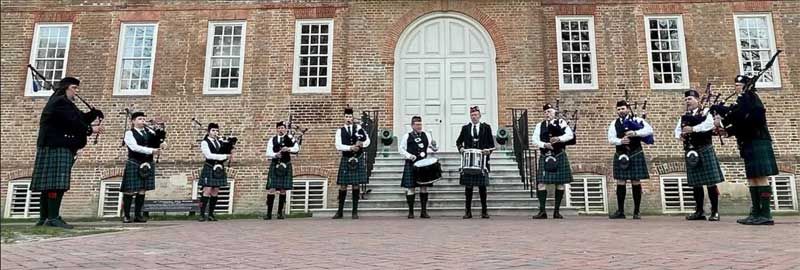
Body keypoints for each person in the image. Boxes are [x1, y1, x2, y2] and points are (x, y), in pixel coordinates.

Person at [30, 77, 103, 228]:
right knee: (56, 184)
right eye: (74, 88)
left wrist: (93, 114)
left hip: (55, 146)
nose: (76, 92)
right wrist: (90, 129)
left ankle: (45, 218)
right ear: (66, 88)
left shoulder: (65, 103)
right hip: (56, 146)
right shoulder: (60, 102)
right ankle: (52, 218)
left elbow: (79, 118)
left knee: (49, 184)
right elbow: (72, 122)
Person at [712, 75, 779, 225]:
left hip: (757, 140)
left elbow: (752, 119)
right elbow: (741, 121)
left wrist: (723, 122)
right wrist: (727, 131)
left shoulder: (751, 98)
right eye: (735, 84)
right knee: (752, 178)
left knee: (760, 176)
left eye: (739, 84)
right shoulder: (742, 102)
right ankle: (756, 212)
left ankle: (766, 214)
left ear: (746, 86)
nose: (736, 87)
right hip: (748, 142)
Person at [675, 90, 724, 221]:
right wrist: (680, 135)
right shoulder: (684, 116)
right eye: (686, 100)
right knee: (696, 183)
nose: (687, 102)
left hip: (704, 149)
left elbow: (709, 125)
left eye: (690, 99)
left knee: (710, 182)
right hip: (691, 151)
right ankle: (699, 211)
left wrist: (693, 129)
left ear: (697, 99)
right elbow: (677, 130)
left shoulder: (706, 112)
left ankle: (715, 212)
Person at [607, 100, 653, 220]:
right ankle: (620, 211)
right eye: (619, 109)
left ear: (627, 109)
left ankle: (636, 211)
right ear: (616, 111)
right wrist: (620, 141)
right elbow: (611, 138)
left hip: (635, 153)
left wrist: (635, 132)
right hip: (621, 153)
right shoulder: (614, 123)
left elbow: (649, 130)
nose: (621, 111)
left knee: (635, 181)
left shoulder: (637, 120)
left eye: (623, 108)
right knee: (620, 181)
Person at [531, 103, 574, 219]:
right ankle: (542, 211)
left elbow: (570, 135)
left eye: (549, 111)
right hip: (545, 155)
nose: (547, 114)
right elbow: (534, 139)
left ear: (554, 113)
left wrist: (559, 138)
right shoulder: (539, 125)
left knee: (559, 183)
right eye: (545, 112)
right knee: (541, 183)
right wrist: (544, 144)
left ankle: (556, 211)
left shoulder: (561, 123)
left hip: (559, 155)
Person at [455, 106, 495, 219]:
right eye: (472, 115)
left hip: (482, 161)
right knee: (468, 188)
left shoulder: (486, 127)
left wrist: (488, 151)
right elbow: (458, 142)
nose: (474, 117)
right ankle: (468, 212)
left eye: (476, 115)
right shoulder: (465, 128)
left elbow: (491, 144)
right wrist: (461, 148)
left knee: (482, 187)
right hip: (468, 162)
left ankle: (484, 211)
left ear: (480, 115)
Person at [332, 107, 370, 219]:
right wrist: (350, 147)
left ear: (353, 118)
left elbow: (367, 140)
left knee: (356, 185)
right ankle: (340, 211)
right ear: (344, 118)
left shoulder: (358, 128)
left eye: (350, 117)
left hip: (357, 158)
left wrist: (362, 145)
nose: (349, 118)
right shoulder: (340, 130)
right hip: (346, 158)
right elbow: (338, 146)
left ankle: (355, 211)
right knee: (343, 185)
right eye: (347, 117)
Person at [398, 116, 438, 219]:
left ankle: (423, 212)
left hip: (424, 164)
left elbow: (433, 149)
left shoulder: (426, 135)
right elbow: (401, 149)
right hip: (411, 164)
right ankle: (411, 212)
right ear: (412, 125)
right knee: (411, 188)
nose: (419, 126)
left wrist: (434, 146)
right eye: (417, 124)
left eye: (420, 124)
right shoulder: (407, 136)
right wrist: (409, 156)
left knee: (424, 187)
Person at [265, 121, 300, 220]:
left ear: (285, 129)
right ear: (277, 129)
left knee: (283, 189)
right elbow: (268, 152)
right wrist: (275, 155)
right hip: (275, 164)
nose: (281, 130)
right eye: (279, 128)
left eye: (283, 128)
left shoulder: (289, 138)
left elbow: (296, 148)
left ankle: (280, 213)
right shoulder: (272, 139)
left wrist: (288, 149)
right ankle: (268, 213)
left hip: (286, 165)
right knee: (272, 189)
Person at [198, 123, 231, 222]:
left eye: (216, 130)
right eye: (213, 130)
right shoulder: (205, 142)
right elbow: (209, 155)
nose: (215, 132)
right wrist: (224, 156)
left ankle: (211, 214)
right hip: (209, 167)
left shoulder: (220, 141)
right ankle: (202, 214)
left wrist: (228, 146)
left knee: (215, 191)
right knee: (207, 191)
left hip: (219, 168)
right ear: (208, 132)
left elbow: (225, 151)